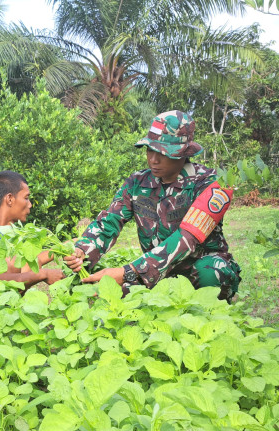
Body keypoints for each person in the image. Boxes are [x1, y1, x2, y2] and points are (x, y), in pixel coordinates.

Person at [64, 111, 240, 300]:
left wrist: (128, 272)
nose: (153, 160)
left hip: (196, 267)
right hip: (155, 272)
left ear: (183, 153)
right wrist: (83, 249)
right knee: (108, 293)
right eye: (150, 150)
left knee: (211, 273)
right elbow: (109, 221)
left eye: (162, 153)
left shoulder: (211, 184)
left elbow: (187, 238)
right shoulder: (137, 183)